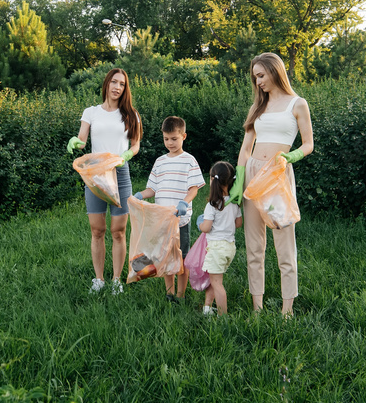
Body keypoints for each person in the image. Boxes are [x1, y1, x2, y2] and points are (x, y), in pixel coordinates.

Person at [230, 52, 313, 316]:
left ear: (275, 71)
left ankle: (287, 310)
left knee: (284, 243)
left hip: (277, 176)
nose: (258, 82)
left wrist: (292, 156)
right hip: (253, 175)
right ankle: (258, 307)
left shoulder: (297, 104)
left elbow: (309, 143)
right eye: (255, 77)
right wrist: (238, 181)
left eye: (261, 75)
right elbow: (245, 149)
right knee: (254, 245)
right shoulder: (258, 107)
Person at [67, 68, 141, 295]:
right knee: (97, 230)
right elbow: (82, 140)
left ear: (125, 88)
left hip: (119, 173)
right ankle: (98, 279)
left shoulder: (131, 114)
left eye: (122, 84)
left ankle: (117, 280)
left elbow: (136, 145)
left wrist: (126, 155)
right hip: (95, 175)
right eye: (114, 82)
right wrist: (74, 142)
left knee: (118, 231)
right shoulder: (91, 112)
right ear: (107, 84)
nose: (117, 87)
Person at [133, 116, 205, 303]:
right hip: (163, 220)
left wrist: (184, 202)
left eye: (174, 138)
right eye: (166, 139)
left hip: (180, 219)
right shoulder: (160, 162)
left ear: (184, 136)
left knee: (182, 257)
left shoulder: (189, 160)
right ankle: (169, 292)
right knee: (165, 256)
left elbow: (194, 188)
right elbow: (153, 188)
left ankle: (181, 294)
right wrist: (140, 195)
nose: (170, 143)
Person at [197, 161, 243, 316]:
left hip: (216, 248)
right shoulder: (234, 203)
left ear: (212, 179)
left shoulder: (212, 204)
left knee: (217, 284)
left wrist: (200, 224)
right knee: (214, 279)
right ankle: (207, 308)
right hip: (229, 247)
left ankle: (223, 317)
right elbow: (238, 223)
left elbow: (206, 228)